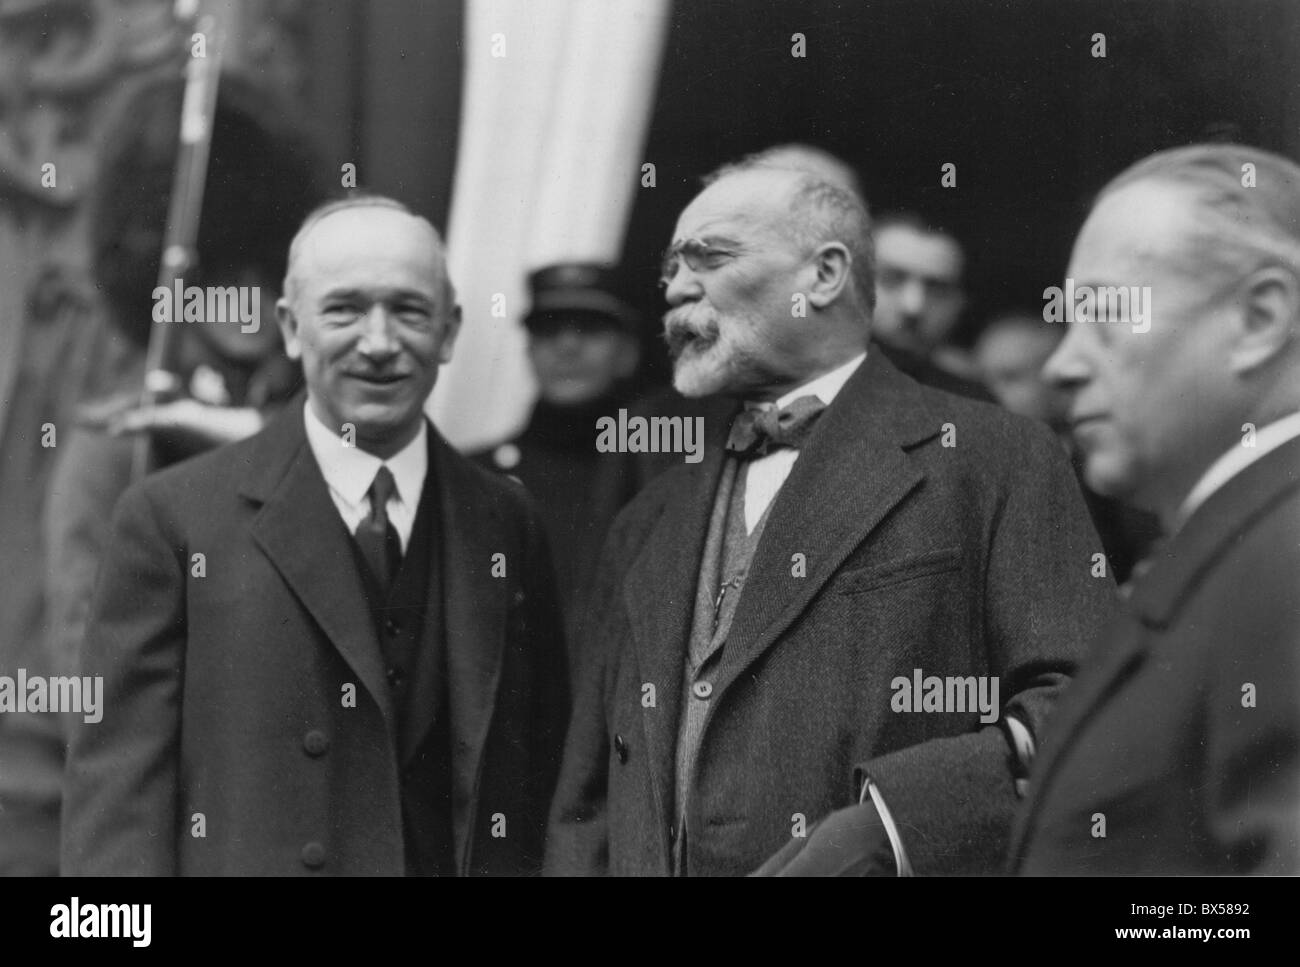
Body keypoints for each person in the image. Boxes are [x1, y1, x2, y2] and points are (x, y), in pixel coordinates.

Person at [545, 157, 1115, 876]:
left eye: (708, 257)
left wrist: (892, 824)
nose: (675, 288)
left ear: (823, 275)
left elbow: (1089, 710)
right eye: (670, 269)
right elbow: (586, 796)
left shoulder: (996, 457)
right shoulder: (648, 511)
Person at [62, 195, 569, 875]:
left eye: (410, 311)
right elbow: (118, 807)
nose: (381, 342)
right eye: (345, 310)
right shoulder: (174, 518)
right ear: (291, 327)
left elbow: (545, 777)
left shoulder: (505, 520)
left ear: (449, 331)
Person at [1011, 144, 1300, 874]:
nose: (1061, 364)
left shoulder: (1285, 553)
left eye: (1103, 314)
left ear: (1261, 317)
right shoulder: (1243, 540)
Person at [474, 263, 642, 676]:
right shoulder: (475, 477)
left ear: (627, 353)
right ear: (528, 349)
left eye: (590, 329)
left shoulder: (651, 478)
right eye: (549, 330)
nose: (568, 347)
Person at [871, 211, 990, 400]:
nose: (913, 306)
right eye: (891, 279)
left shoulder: (973, 404)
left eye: (937, 289)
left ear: (961, 303)